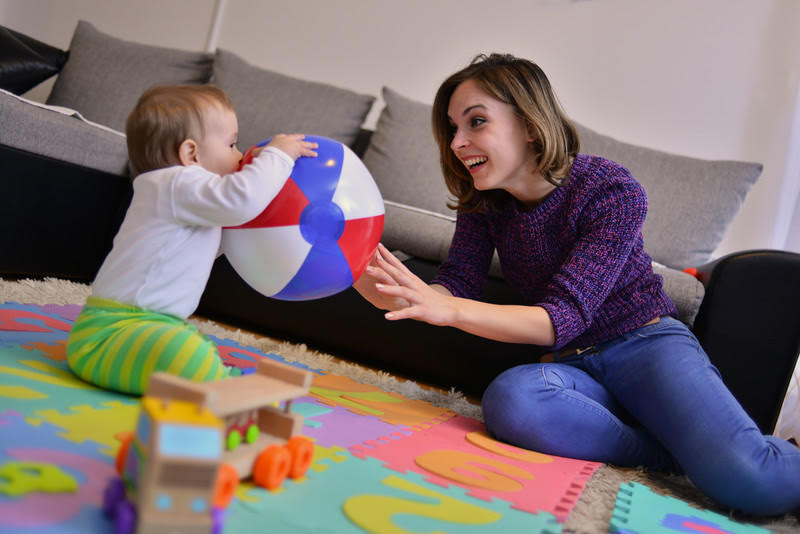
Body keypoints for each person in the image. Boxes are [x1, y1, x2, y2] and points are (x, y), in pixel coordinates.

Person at [354, 54, 800, 515]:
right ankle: (668, 452)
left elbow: (562, 317)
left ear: (529, 124)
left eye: (476, 122)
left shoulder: (611, 188)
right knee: (513, 400)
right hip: (573, 366)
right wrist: (352, 263)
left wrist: (445, 308)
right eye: (452, 129)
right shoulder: (483, 203)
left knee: (753, 483)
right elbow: (455, 289)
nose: (457, 143)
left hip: (647, 347)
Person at [66, 84, 317, 395]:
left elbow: (224, 233)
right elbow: (242, 201)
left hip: (146, 329)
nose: (239, 155)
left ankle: (207, 377)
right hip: (113, 333)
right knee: (185, 351)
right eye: (232, 144)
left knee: (188, 345)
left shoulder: (188, 198)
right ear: (190, 154)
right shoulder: (177, 183)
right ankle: (220, 390)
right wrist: (278, 156)